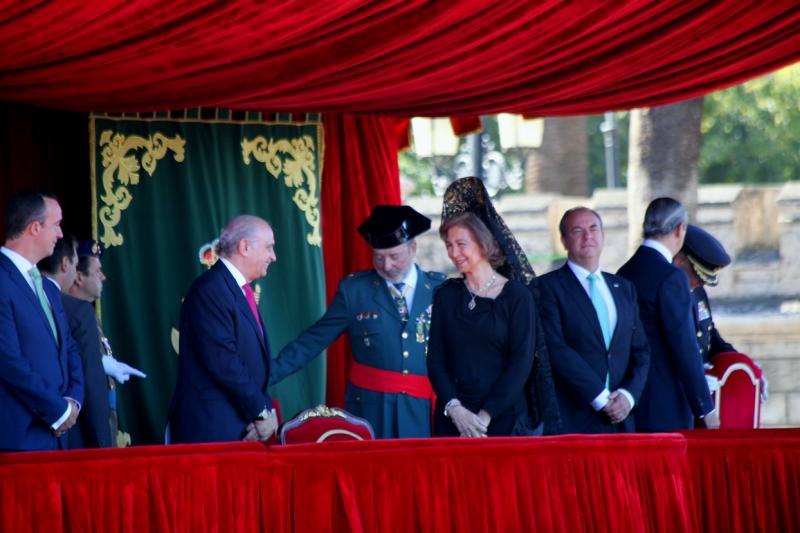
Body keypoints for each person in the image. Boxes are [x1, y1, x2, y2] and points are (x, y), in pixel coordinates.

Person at [270, 205, 445, 438]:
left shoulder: (440, 289)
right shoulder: (355, 291)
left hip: (422, 411)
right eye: (378, 257)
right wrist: (266, 376)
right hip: (371, 409)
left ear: (412, 248)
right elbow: (313, 341)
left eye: (395, 256)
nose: (386, 266)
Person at [427, 177, 560, 437]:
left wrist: (482, 418)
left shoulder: (517, 297)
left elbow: (520, 364)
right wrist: (455, 410)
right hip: (452, 420)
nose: (454, 253)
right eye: (449, 246)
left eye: (461, 244)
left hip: (502, 421)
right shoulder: (446, 295)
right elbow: (436, 360)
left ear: (483, 243)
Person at [168, 215, 278, 443]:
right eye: (269, 248)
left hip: (238, 425)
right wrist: (261, 413)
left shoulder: (235, 289)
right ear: (245, 247)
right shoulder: (211, 290)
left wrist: (263, 413)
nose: (273, 256)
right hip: (213, 430)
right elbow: (225, 362)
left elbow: (253, 364)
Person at [539, 207, 650, 433]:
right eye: (577, 230)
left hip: (622, 419)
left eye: (593, 229)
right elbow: (555, 348)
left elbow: (641, 351)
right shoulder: (547, 287)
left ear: (602, 235)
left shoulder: (623, 288)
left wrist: (628, 397)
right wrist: (600, 398)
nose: (587, 236)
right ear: (564, 240)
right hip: (575, 417)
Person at [617, 198, 714, 431]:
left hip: (631, 395)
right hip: (666, 400)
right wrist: (705, 407)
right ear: (680, 229)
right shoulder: (672, 277)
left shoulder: (623, 272)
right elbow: (684, 345)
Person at [0, 191, 83, 451]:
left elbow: (69, 349)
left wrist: (73, 403)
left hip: (58, 436)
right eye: (56, 225)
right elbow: (7, 360)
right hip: (20, 439)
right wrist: (57, 410)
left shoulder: (47, 288)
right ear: (35, 228)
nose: (60, 235)